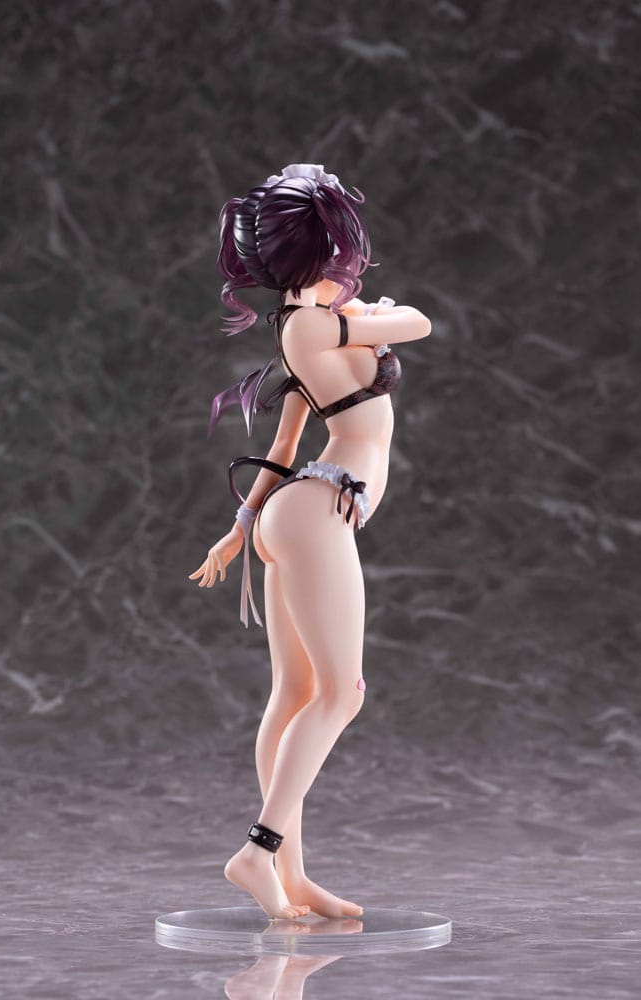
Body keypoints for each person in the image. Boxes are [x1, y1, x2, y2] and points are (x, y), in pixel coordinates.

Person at [189, 163, 431, 920]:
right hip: (318, 511)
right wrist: (368, 314)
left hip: (297, 511)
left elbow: (282, 446)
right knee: (341, 693)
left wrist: (238, 529)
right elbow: (418, 322)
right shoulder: (315, 323)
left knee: (296, 694)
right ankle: (258, 851)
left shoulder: (303, 324)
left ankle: (289, 878)